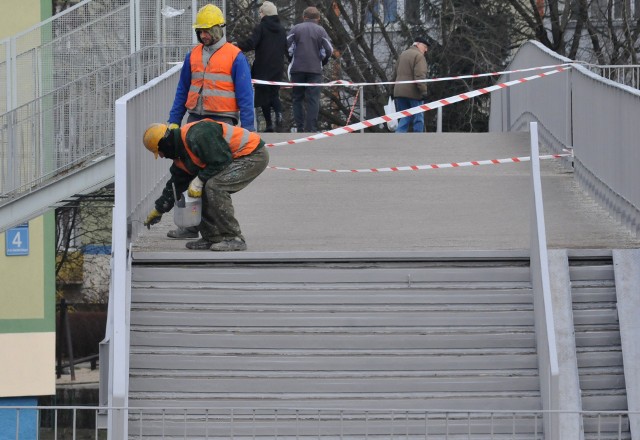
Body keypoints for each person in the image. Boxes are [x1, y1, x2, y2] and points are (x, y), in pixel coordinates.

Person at [166, 4, 256, 239]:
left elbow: (246, 95)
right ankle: (191, 225)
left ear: (219, 29)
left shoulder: (235, 56)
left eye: (208, 31)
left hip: (221, 123)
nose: (204, 35)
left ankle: (208, 228)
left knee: (208, 179)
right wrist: (173, 121)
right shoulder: (193, 55)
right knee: (186, 174)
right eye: (201, 31)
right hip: (194, 120)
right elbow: (182, 90)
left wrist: (248, 130)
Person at [142, 119, 269, 252]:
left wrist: (200, 180)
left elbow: (222, 160)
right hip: (236, 157)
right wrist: (159, 209)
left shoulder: (198, 135)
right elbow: (175, 184)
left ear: (164, 143)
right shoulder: (180, 155)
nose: (161, 156)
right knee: (200, 189)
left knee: (215, 187)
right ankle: (212, 237)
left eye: (159, 152)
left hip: (252, 154)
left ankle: (234, 238)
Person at [237, 1, 287, 133]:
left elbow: (251, 43)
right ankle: (279, 115)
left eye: (260, 13)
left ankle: (269, 124)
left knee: (263, 95)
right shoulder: (282, 30)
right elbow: (286, 48)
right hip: (277, 67)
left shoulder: (261, 27)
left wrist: (237, 45)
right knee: (274, 94)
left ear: (264, 14)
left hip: (262, 66)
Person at [286, 6, 333, 133]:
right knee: (313, 99)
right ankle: (311, 129)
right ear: (318, 18)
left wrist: (291, 59)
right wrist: (323, 60)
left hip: (297, 69)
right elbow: (329, 49)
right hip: (315, 70)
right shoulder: (321, 30)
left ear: (304, 17)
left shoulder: (296, 29)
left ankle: (299, 127)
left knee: (297, 98)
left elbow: (286, 45)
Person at [393, 36, 430, 133]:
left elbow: (395, 74)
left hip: (399, 91)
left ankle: (398, 136)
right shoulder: (419, 56)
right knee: (418, 117)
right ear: (417, 44)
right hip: (413, 92)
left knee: (405, 116)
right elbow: (419, 75)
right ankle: (418, 140)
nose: (426, 50)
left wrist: (391, 90)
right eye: (425, 47)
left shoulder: (402, 54)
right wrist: (423, 91)